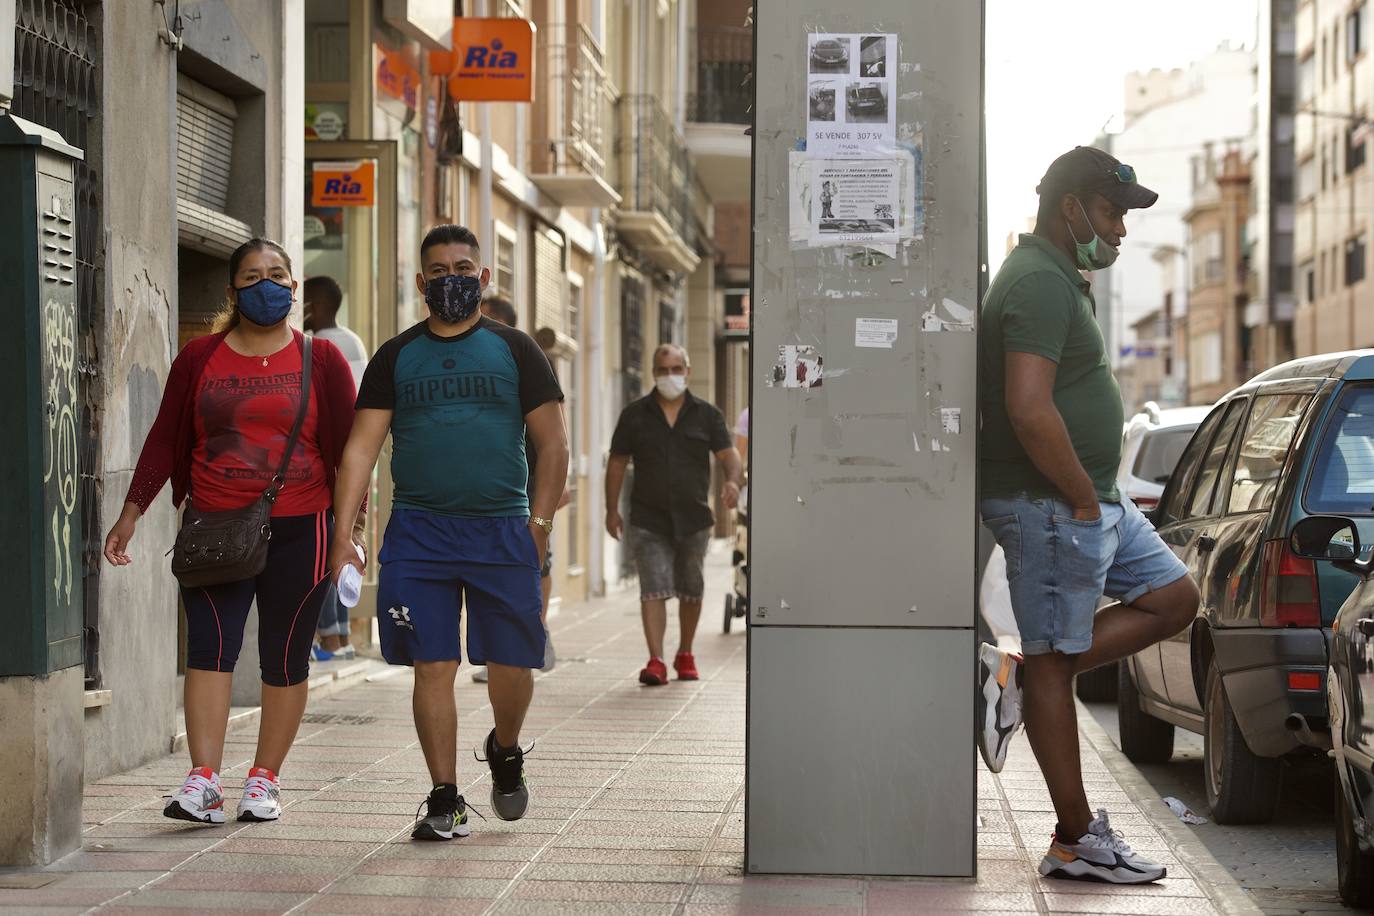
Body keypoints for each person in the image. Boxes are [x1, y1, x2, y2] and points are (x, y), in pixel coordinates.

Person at [976, 147, 1200, 884]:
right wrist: (1077, 494)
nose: (1121, 232)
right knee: (1054, 664)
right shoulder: (1038, 282)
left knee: (1174, 598)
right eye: (1111, 214)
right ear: (1070, 208)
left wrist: (1090, 494)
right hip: (1054, 504)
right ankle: (1075, 838)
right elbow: (1027, 407)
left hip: (1090, 499)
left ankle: (1022, 678)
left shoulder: (1058, 279)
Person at [103, 238, 364, 825]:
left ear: (294, 288)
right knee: (209, 649)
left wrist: (349, 531)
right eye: (252, 277)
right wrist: (133, 510)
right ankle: (203, 781)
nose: (266, 286)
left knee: (285, 654)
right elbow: (166, 437)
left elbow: (352, 453)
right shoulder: (199, 358)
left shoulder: (319, 361)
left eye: (277, 275)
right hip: (214, 527)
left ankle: (264, 780)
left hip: (304, 525)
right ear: (232, 292)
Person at [328, 225, 568, 841]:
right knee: (432, 665)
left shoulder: (516, 350)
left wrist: (537, 530)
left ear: (483, 278)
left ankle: (506, 748)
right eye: (437, 270)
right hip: (417, 536)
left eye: (463, 267)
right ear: (420, 282)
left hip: (502, 533)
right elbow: (360, 450)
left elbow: (553, 446)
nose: (450, 278)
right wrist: (343, 532)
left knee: (515, 665)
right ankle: (445, 796)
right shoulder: (395, 355)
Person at [605, 344, 743, 686]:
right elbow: (617, 463)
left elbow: (729, 457)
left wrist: (733, 482)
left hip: (694, 519)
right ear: (654, 373)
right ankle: (655, 660)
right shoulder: (634, 415)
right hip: (647, 518)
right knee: (653, 588)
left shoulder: (707, 415)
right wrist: (611, 510)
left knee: (691, 587)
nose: (670, 376)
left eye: (677, 369)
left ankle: (685, 652)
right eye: (664, 370)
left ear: (688, 371)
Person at [471, 296, 572, 684]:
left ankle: (538, 630)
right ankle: (496, 649)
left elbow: (558, 432)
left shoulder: (527, 359)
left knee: (537, 558)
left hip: (531, 478)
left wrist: (561, 479)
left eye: (493, 320)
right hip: (487, 482)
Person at [303, 274, 368, 660]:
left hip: (336, 466)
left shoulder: (328, 345)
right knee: (338, 543)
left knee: (326, 546)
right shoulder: (352, 341)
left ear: (318, 305)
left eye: (305, 301)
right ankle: (339, 637)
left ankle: (329, 637)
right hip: (351, 464)